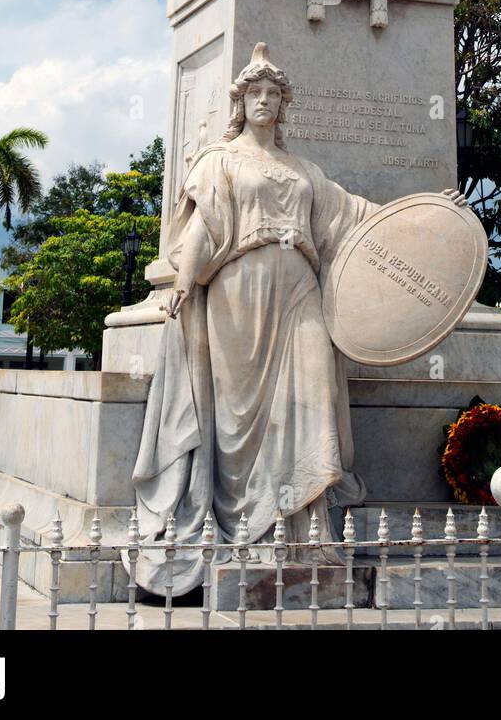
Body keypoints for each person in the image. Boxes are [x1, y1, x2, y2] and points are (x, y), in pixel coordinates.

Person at [130, 42, 380, 595]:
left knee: (314, 395)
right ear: (241, 103)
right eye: (256, 93)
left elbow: (355, 217)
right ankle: (248, 523)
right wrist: (182, 282)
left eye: (274, 94)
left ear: (283, 105)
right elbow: (200, 229)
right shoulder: (219, 161)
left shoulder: (304, 170)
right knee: (236, 422)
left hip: (300, 292)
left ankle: (308, 532)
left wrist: (428, 217)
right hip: (238, 296)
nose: (265, 101)